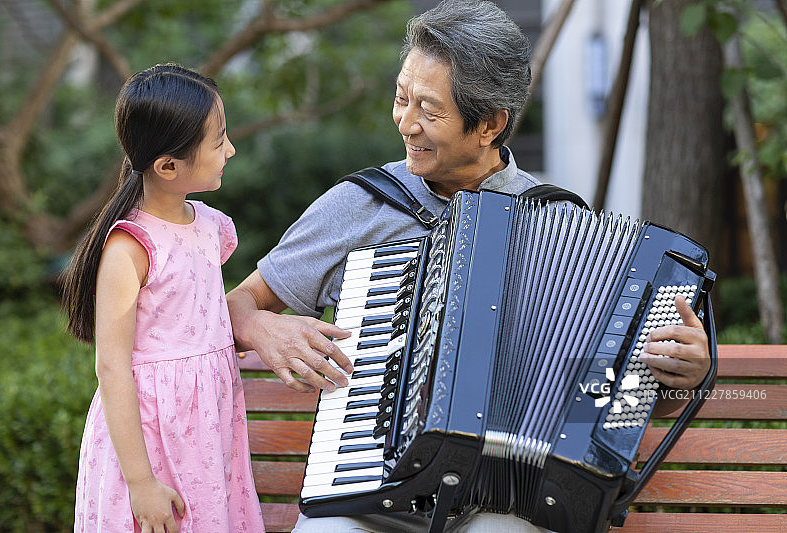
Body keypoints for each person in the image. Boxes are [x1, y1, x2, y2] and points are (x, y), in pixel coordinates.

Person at [227, 1, 711, 531]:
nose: (405, 123)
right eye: (401, 98)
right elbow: (240, 303)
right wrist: (259, 325)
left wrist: (680, 379)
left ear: (489, 125)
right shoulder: (363, 204)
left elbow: (623, 400)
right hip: (368, 491)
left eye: (429, 111)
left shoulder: (559, 220)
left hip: (502, 502)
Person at [63, 64, 265, 533]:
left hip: (206, 436)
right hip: (150, 441)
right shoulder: (130, 247)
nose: (231, 149)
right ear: (168, 166)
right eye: (219, 141)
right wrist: (140, 483)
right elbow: (111, 366)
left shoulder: (212, 227)